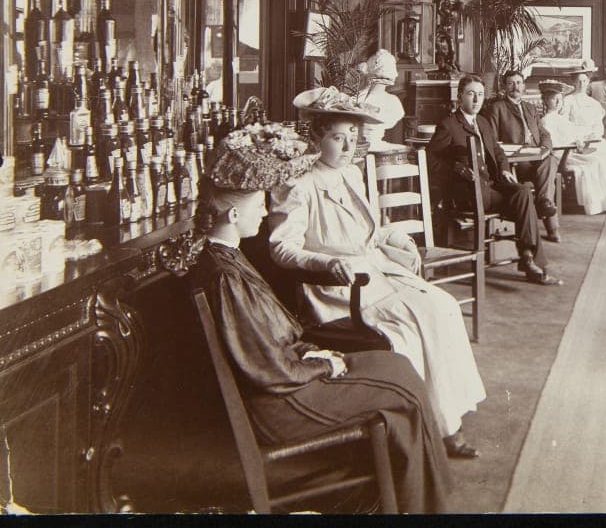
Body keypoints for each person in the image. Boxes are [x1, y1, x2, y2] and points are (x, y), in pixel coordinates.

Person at [190, 127, 452, 513]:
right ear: (232, 214)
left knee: (400, 367)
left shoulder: (227, 257)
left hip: (289, 379)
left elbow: (266, 343)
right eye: (260, 204)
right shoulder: (224, 275)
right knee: (405, 391)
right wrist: (321, 364)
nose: (265, 212)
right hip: (283, 402)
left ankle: (409, 498)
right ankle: (425, 506)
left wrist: (311, 354)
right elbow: (265, 367)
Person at [268, 92, 487, 457]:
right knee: (409, 333)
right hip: (341, 289)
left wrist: (396, 237)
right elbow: (281, 248)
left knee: (444, 307)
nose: (347, 146)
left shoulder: (351, 174)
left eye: (353, 136)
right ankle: (429, 431)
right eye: (338, 137)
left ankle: (447, 416)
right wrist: (325, 263)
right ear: (317, 137)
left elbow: (370, 230)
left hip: (377, 271)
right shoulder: (298, 185)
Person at [427, 75, 562, 286]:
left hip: (490, 187)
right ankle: (530, 260)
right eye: (471, 94)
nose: (476, 100)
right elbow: (430, 159)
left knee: (523, 192)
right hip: (467, 192)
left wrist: (505, 169)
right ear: (460, 96)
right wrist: (456, 168)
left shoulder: (482, 122)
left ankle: (528, 258)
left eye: (480, 95)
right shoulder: (449, 125)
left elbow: (497, 150)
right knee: (523, 200)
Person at [482, 69, 560, 242]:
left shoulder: (530, 108)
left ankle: (543, 202)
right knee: (547, 177)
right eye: (511, 83)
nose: (515, 87)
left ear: (523, 86)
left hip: (536, 158)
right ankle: (551, 223)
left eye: (518, 83)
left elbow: (544, 133)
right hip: (516, 163)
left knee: (550, 160)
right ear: (504, 87)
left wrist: (545, 148)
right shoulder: (497, 108)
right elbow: (492, 141)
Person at [538, 82, 606, 216]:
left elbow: (573, 132)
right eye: (554, 99)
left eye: (560, 99)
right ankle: (597, 203)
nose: (558, 102)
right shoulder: (546, 121)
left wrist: (583, 137)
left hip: (570, 150)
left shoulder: (561, 119)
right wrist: (573, 144)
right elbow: (553, 143)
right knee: (596, 161)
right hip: (561, 154)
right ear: (545, 100)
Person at [564, 60, 606, 141]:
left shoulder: (594, 103)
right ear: (574, 82)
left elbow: (598, 125)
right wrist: (577, 137)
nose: (582, 85)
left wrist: (594, 135)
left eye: (584, 81)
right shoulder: (568, 100)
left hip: (591, 139)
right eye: (579, 82)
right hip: (573, 139)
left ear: (588, 82)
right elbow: (564, 123)